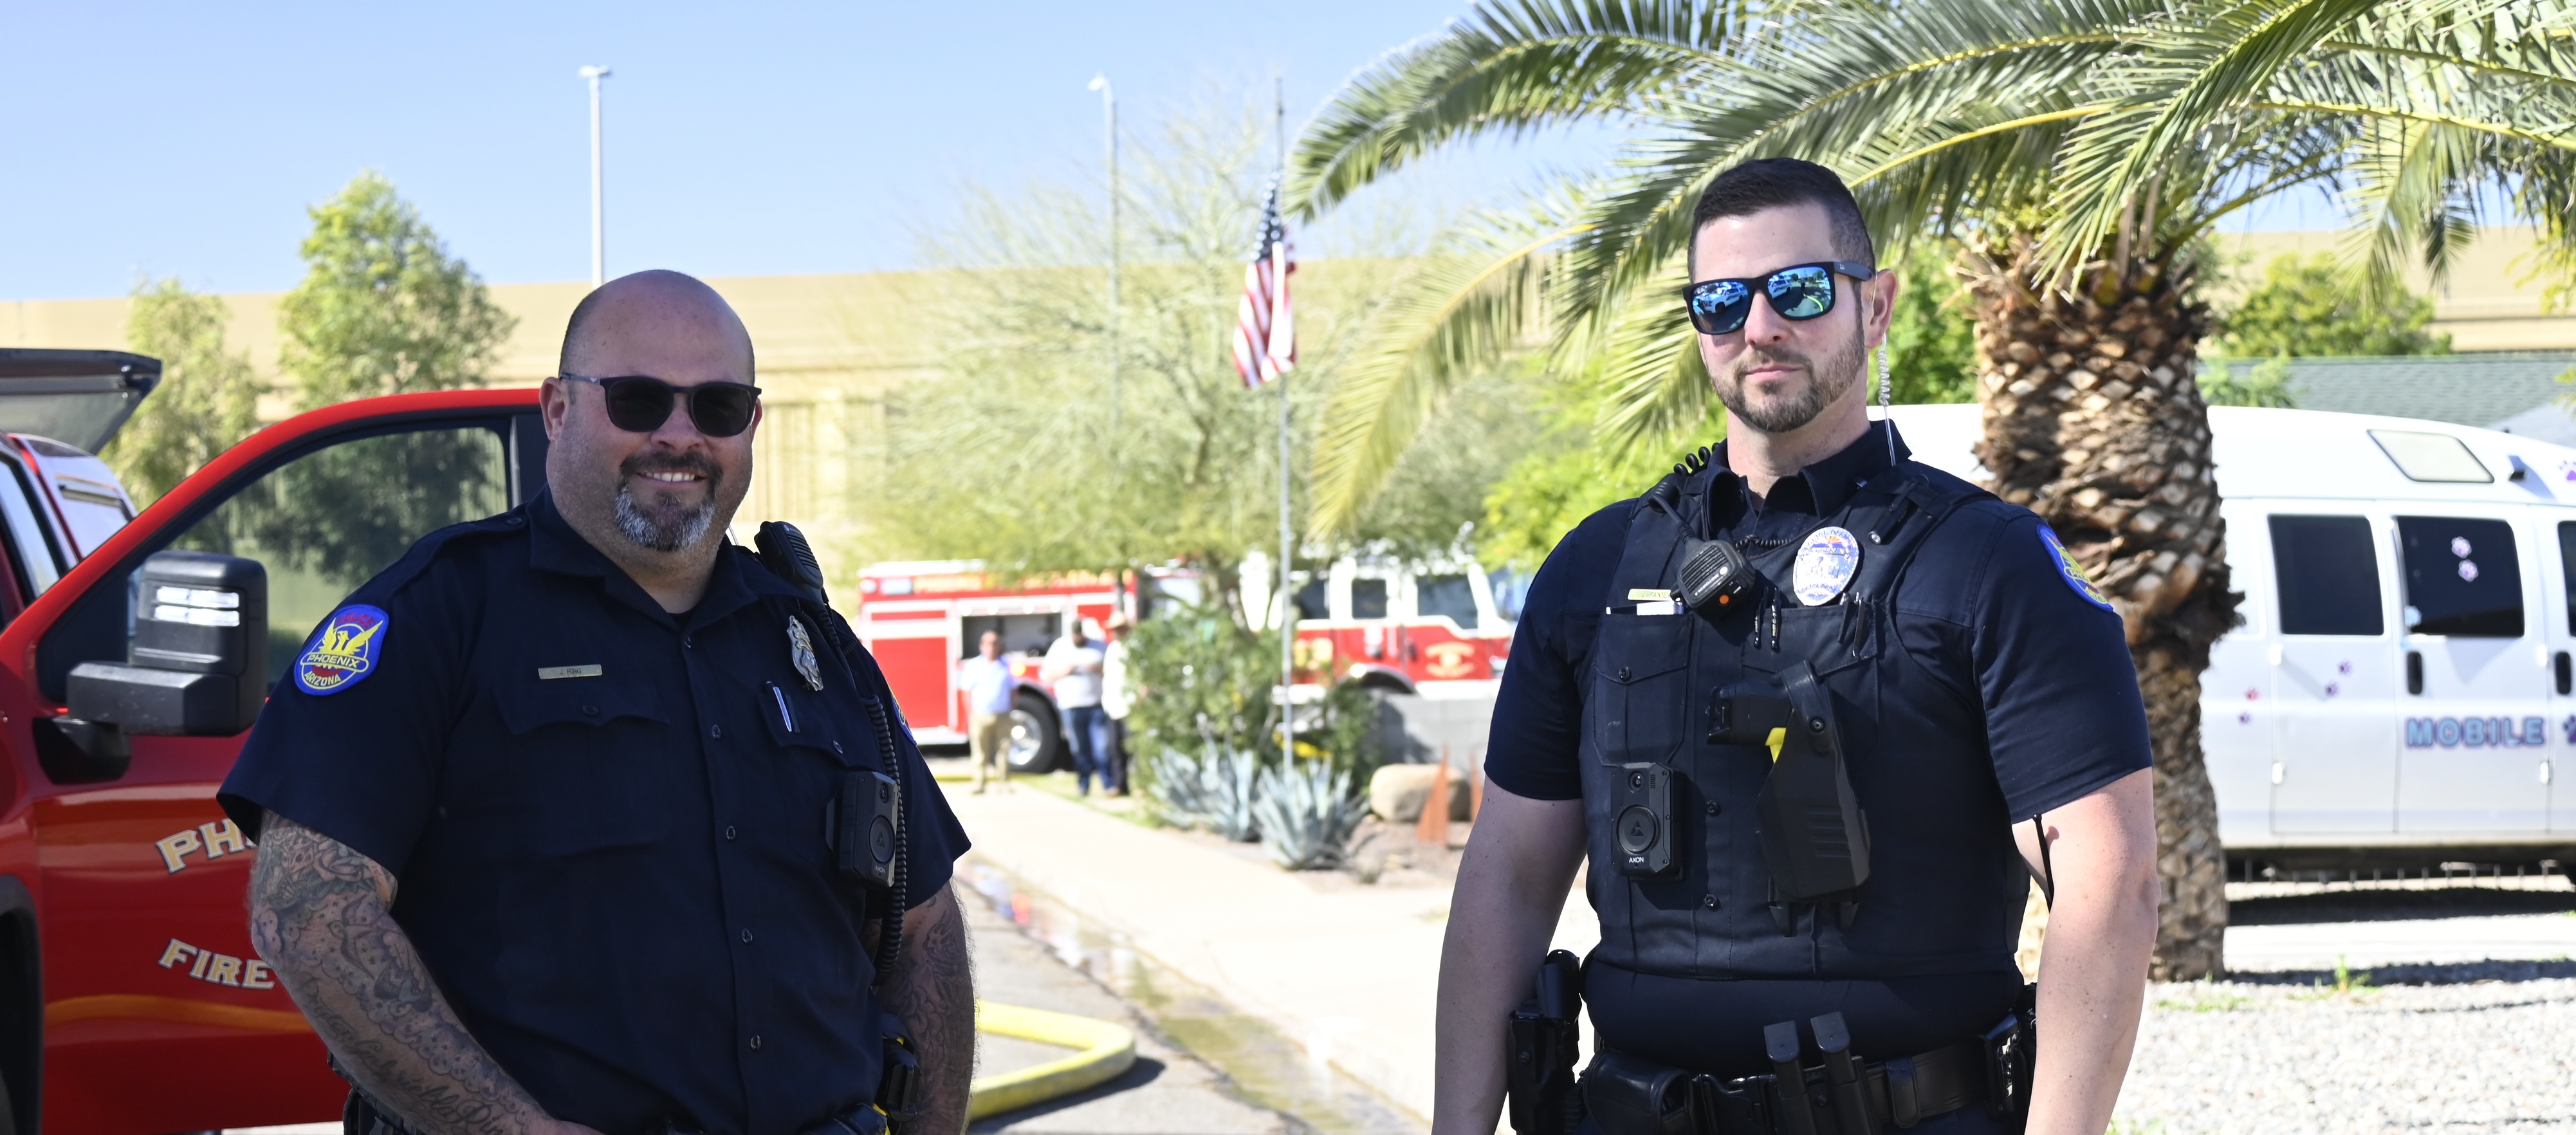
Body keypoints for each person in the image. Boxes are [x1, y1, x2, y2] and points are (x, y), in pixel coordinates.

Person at [1441, 160, 2159, 1135]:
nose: (1760, 326)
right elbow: (1510, 879)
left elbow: (2107, 880)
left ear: (1877, 306)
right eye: (1721, 301)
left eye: (1800, 290)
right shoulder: (1598, 566)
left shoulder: (1988, 563)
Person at [221, 270, 977, 1135]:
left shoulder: (816, 647)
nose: (679, 435)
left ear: (751, 426)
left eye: (718, 407)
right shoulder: (439, 613)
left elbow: (925, 931)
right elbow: (309, 911)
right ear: (557, 410)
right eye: (638, 399)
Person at [1041, 620, 1117, 795]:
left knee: (1102, 747)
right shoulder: (1060, 647)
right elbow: (1046, 675)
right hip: (1071, 706)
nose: (1078, 637)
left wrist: (1096, 668)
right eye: (1075, 634)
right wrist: (1065, 671)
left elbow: (1112, 671)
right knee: (1079, 748)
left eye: (1081, 634)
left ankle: (1108, 784)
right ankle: (1084, 784)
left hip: (1096, 705)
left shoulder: (1098, 646)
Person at [959, 630, 1018, 793]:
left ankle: (1004, 783)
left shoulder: (1006, 665)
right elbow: (966, 691)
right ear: (982, 646)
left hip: (1003, 714)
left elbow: (1014, 689)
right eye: (988, 644)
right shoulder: (974, 666)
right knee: (980, 752)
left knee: (1003, 751)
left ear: (1000, 646)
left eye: (995, 644)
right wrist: (971, 714)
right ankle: (979, 783)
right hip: (980, 715)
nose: (991, 647)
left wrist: (1012, 709)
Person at [1099, 612, 1135, 796]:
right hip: (1113, 704)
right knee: (1115, 747)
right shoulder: (1112, 648)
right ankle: (1120, 785)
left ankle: (1139, 785)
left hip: (1129, 705)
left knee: (1132, 747)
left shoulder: (1133, 647)